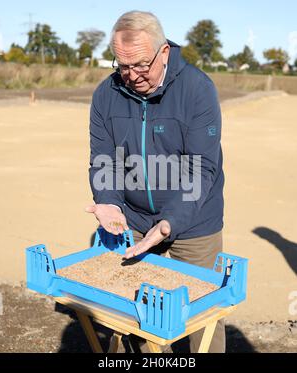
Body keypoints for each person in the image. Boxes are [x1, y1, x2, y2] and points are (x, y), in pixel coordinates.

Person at [86, 10, 225, 353]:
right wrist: (108, 200)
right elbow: (104, 159)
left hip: (194, 224)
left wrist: (169, 224)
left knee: (201, 313)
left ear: (164, 53)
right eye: (122, 65)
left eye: (141, 65)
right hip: (131, 220)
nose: (132, 76)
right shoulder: (105, 95)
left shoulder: (197, 89)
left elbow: (201, 168)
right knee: (136, 309)